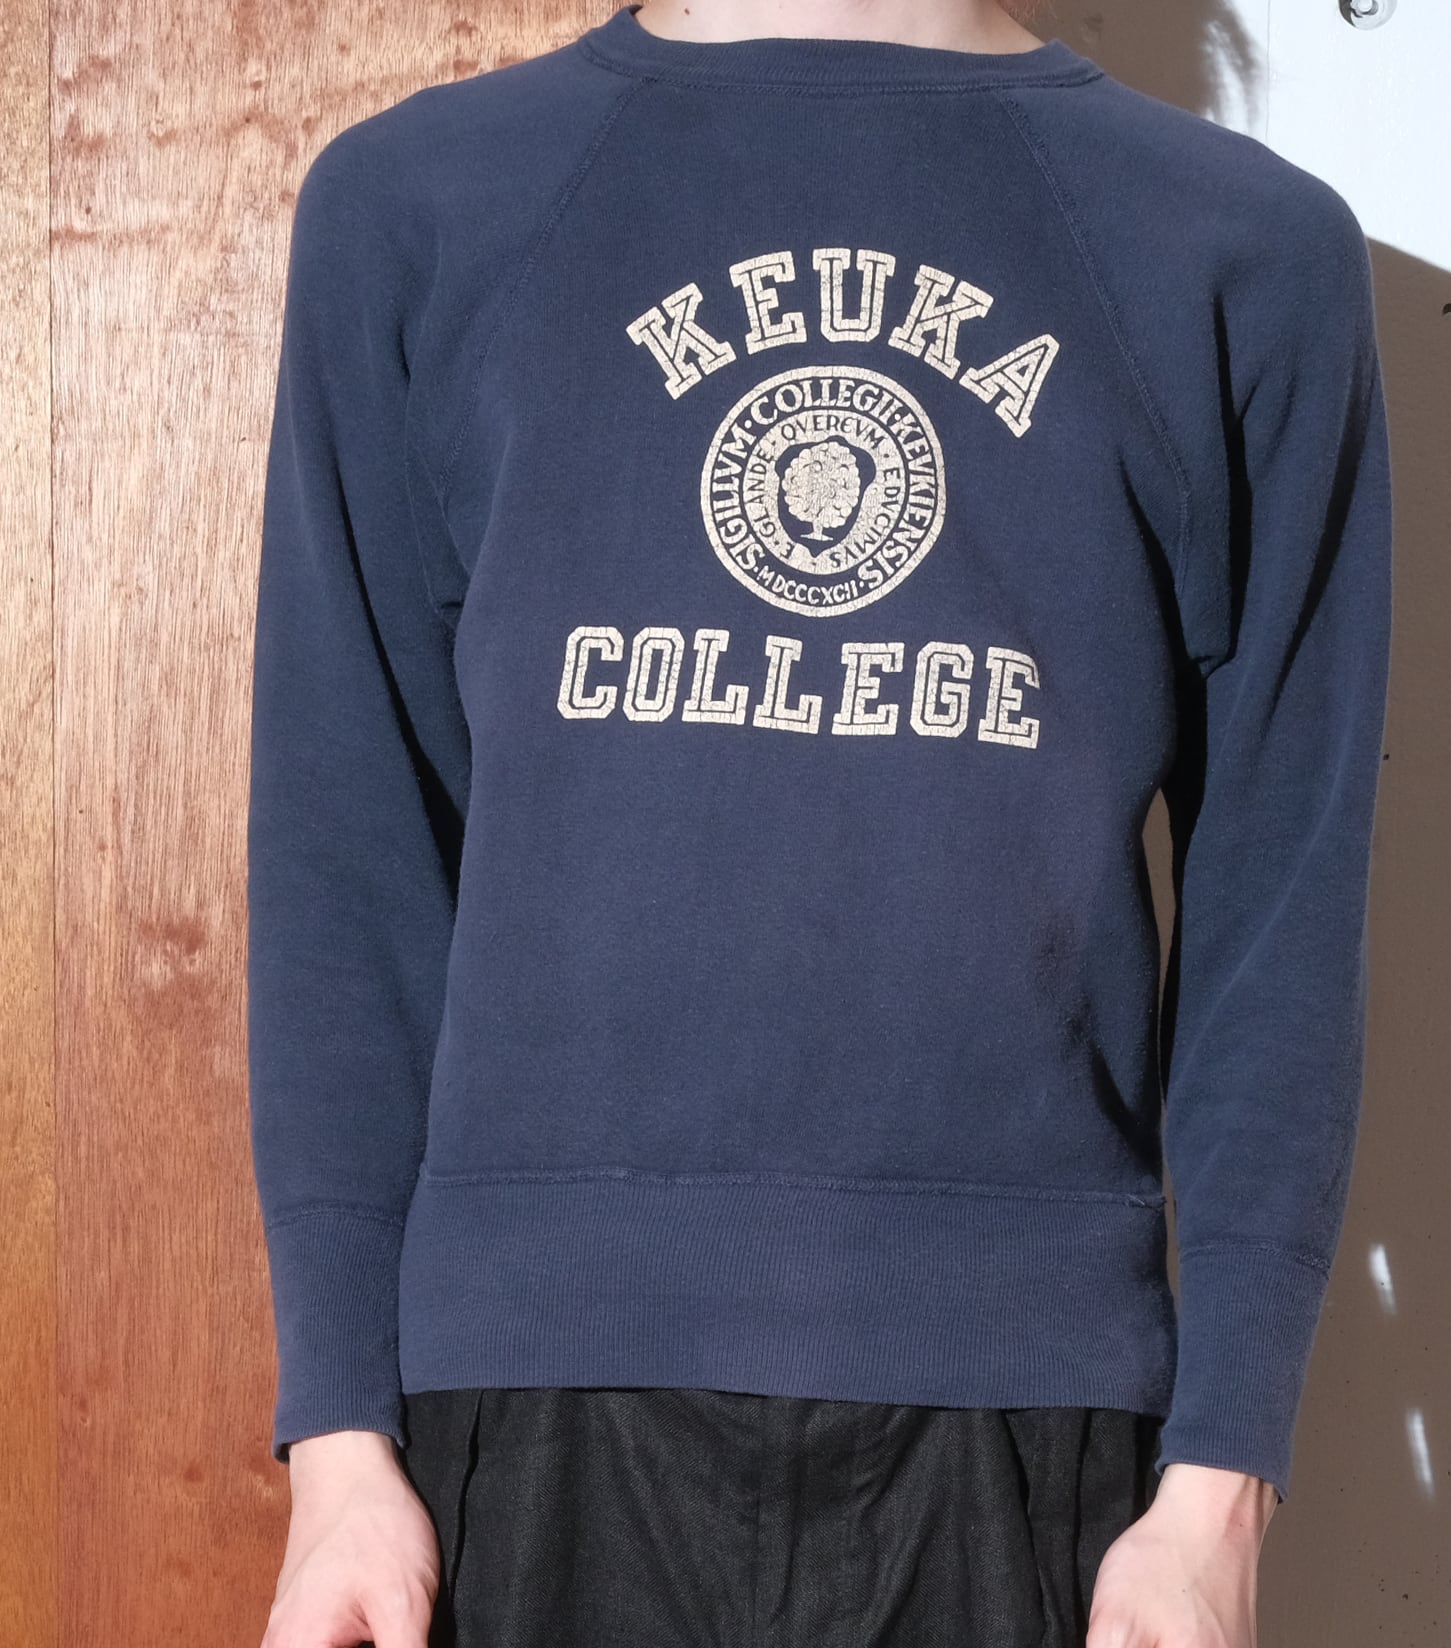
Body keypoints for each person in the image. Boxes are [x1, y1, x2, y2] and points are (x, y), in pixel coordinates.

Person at [246, 2, 1393, 1644]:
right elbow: (347, 856)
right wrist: (341, 1448)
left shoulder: (1240, 251)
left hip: (1028, 1420)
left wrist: (1222, 1485)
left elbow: (1282, 909)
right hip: (526, 1410)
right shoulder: (420, 204)